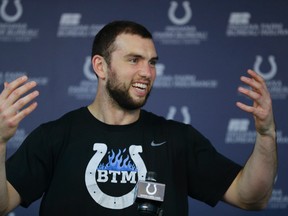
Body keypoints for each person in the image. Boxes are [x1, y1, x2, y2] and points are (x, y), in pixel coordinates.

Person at [0, 20, 277, 216]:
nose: (147, 72)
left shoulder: (177, 138)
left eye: (152, 62)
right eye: (134, 60)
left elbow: (251, 197)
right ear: (101, 66)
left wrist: (266, 135)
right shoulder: (55, 136)